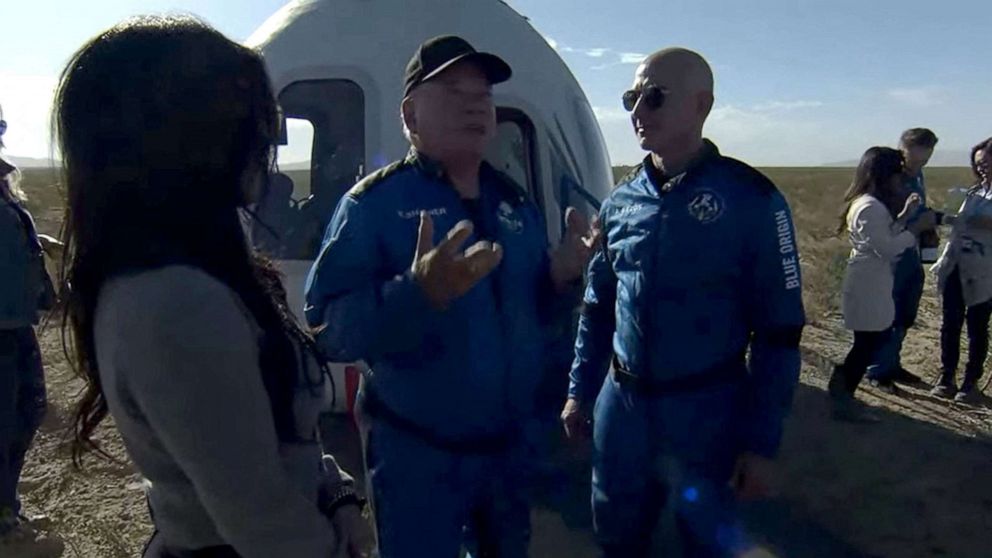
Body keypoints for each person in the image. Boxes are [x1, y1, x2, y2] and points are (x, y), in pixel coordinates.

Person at [56, 16, 373, 557]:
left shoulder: (193, 276)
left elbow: (276, 439)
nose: (263, 138)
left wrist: (338, 494)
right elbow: (262, 521)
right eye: (242, 116)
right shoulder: (174, 303)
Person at [304, 35, 598, 558]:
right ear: (410, 115)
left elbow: (533, 316)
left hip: (506, 454)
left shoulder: (515, 203)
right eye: (454, 90)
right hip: (418, 454)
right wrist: (414, 294)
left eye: (483, 94)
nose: (476, 104)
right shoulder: (373, 206)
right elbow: (327, 328)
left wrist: (560, 280)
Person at [560, 48, 806, 557]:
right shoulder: (620, 202)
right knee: (617, 533)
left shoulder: (752, 200)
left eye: (654, 98)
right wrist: (580, 391)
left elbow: (779, 332)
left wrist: (761, 443)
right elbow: (599, 305)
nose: (637, 113)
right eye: (632, 98)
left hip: (707, 410)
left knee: (705, 538)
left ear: (702, 105)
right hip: (623, 406)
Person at [830, 147, 937, 421]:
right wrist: (914, 229)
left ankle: (841, 390)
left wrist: (903, 215)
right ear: (885, 175)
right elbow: (886, 248)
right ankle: (842, 394)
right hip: (869, 281)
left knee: (869, 339)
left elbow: (883, 237)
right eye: (898, 174)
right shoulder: (869, 206)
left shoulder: (871, 205)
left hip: (873, 278)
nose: (901, 180)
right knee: (867, 342)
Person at [0, 107, 63, 557]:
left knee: (25, 413)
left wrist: (37, 242)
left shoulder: (2, 186)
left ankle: (7, 508)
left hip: (15, 323)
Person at [866, 128, 939, 391]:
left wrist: (930, 225)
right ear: (902, 151)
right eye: (913, 160)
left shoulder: (918, 176)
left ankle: (892, 363)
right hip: (890, 254)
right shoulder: (886, 177)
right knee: (887, 311)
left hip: (911, 251)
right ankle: (876, 370)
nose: (917, 166)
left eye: (924, 161)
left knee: (905, 312)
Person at [930, 137, 992, 403]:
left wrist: (968, 220)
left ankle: (970, 383)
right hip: (957, 265)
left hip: (986, 272)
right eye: (978, 163)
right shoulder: (972, 193)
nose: (982, 168)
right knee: (950, 324)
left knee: (978, 327)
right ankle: (947, 377)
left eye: (987, 162)